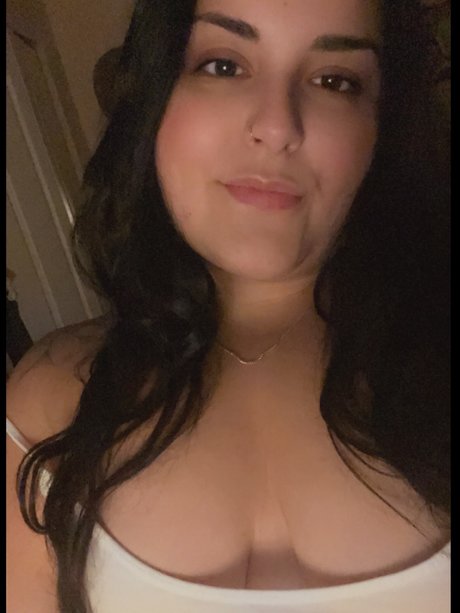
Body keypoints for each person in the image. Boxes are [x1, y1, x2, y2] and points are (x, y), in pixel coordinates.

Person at [6, 1, 450, 612]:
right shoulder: (52, 400)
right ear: (156, 100)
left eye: (334, 80)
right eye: (223, 66)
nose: (277, 125)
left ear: (382, 130)